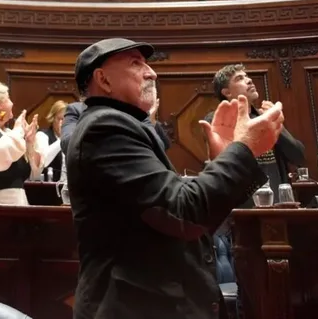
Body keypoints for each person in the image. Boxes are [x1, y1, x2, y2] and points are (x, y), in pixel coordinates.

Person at [66, 38, 284, 319]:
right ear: (103, 79)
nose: (152, 73)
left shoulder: (123, 125)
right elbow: (183, 212)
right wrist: (245, 149)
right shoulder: (105, 127)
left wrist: (224, 158)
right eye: (136, 63)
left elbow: (170, 209)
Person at [209, 64, 305, 193]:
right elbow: (222, 164)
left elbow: (298, 157)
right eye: (239, 78)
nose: (249, 80)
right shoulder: (218, 121)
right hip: (242, 199)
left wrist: (278, 125)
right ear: (227, 92)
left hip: (277, 197)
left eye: (246, 76)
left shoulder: (264, 116)